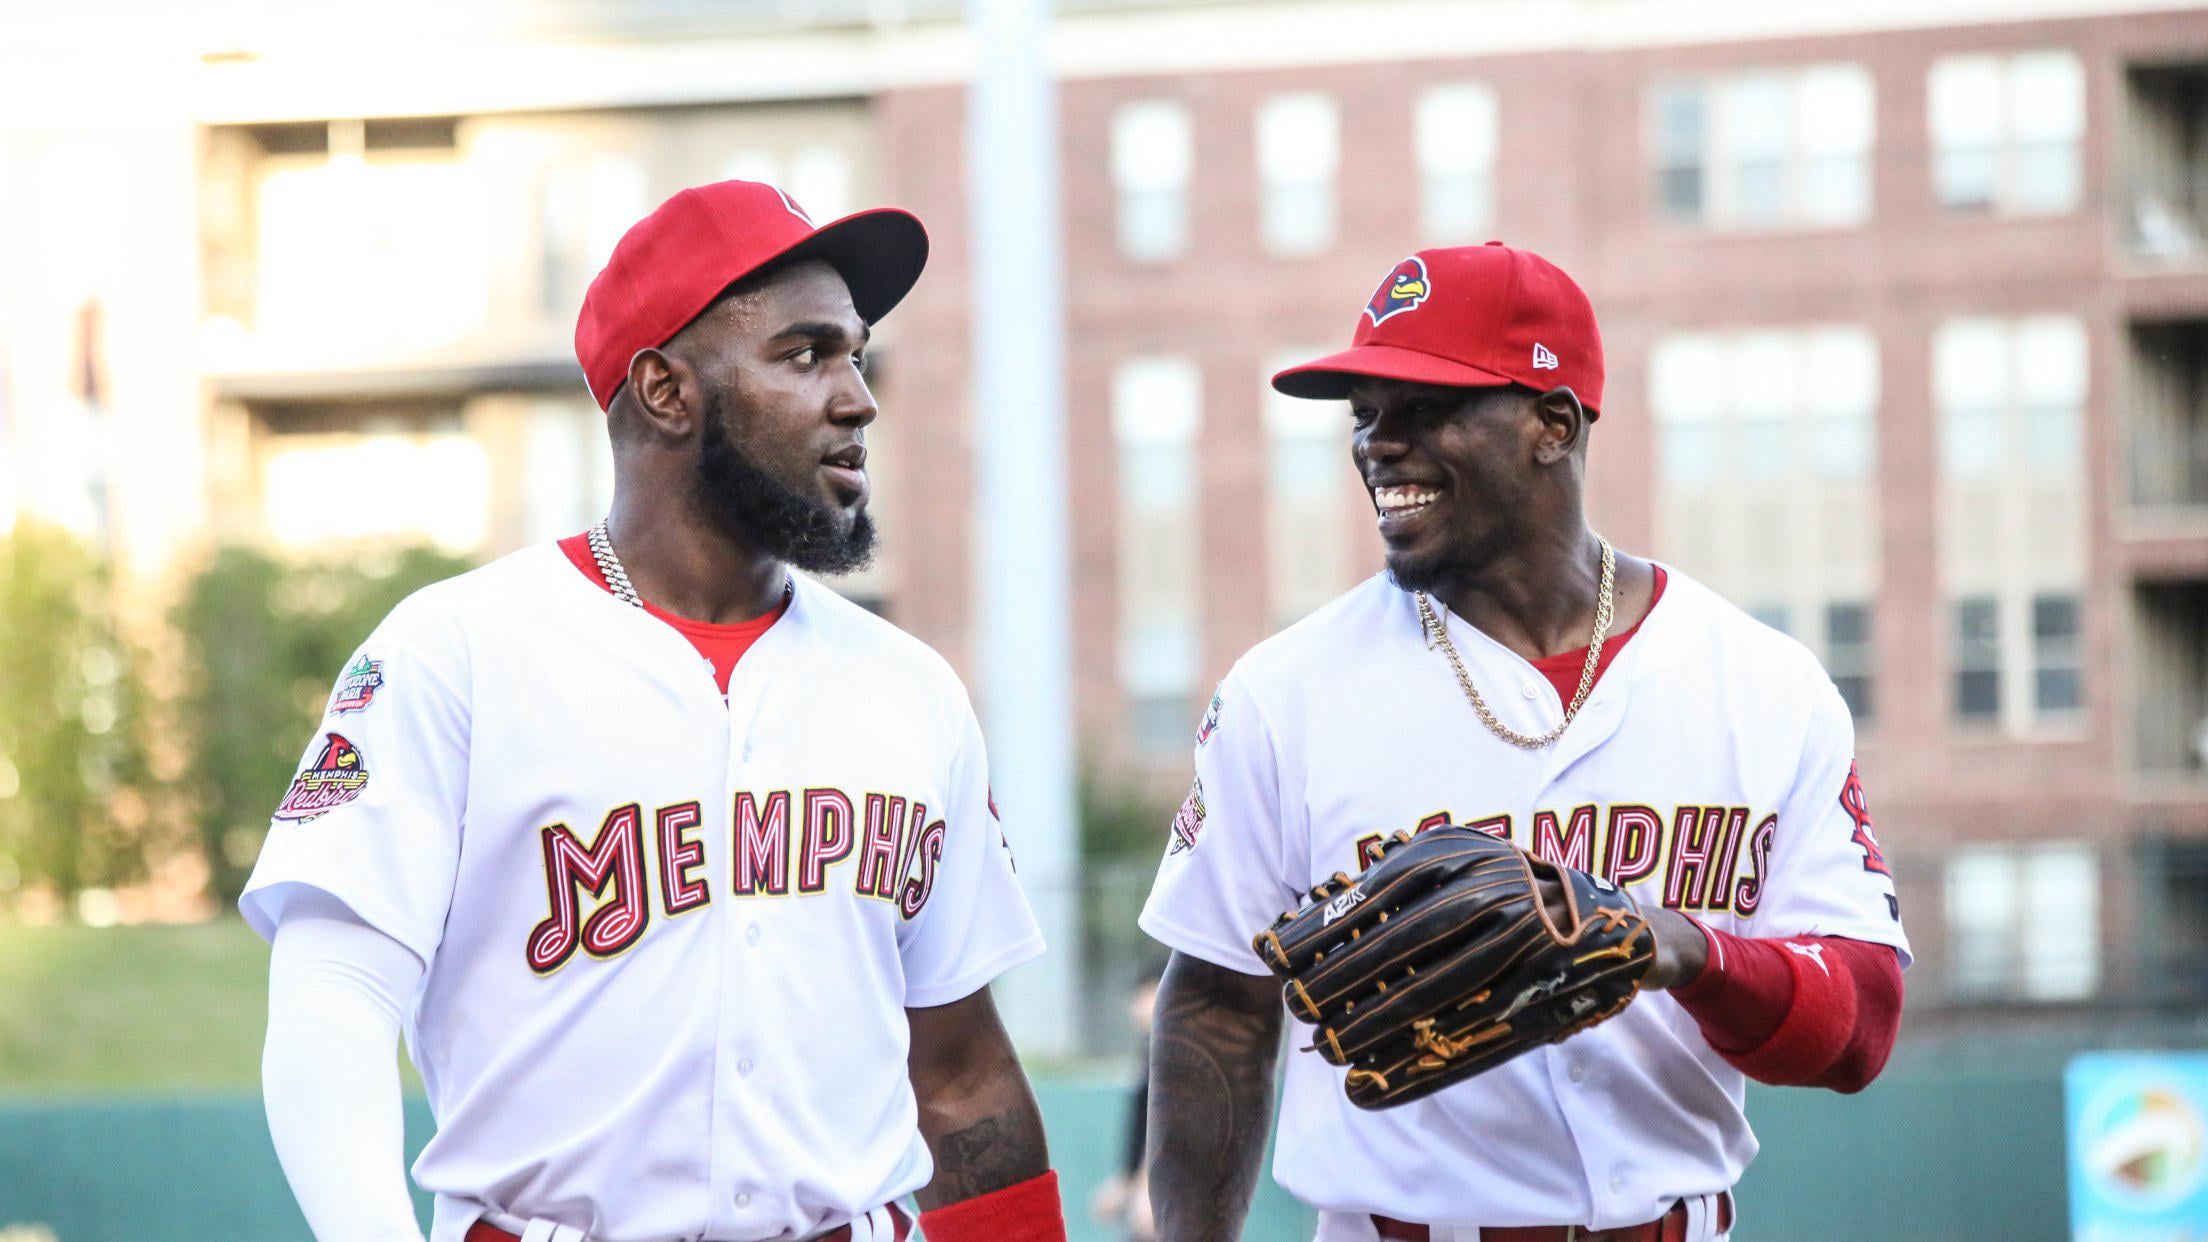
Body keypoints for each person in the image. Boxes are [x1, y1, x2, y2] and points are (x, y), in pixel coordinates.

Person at [245, 180, 1067, 1242]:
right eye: (805, 355)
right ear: (665, 391)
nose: (858, 397)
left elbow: (960, 1076)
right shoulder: (454, 652)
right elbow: (336, 992)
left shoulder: (910, 689)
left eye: (856, 355)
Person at [1138, 243, 1907, 1242]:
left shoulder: (1762, 686)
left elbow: (1862, 1028)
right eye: (1365, 413)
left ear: (1555, 424)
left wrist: (1687, 952)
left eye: (1425, 408)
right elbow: (1215, 1009)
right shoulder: (1284, 694)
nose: (1379, 445)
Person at [1090, 972, 1161, 1242]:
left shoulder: (1175, 1054)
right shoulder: (1149, 1049)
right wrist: (1126, 1180)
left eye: (1147, 994)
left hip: (1169, 1185)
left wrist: (1149, 1186)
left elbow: (1170, 1123)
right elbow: (1142, 1124)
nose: (1138, 1007)